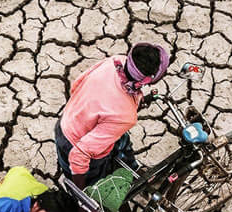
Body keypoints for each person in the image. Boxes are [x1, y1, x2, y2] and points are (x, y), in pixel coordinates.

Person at [55, 41, 170, 187]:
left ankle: (135, 172)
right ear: (147, 79)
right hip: (73, 145)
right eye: (162, 72)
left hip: (66, 120)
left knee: (122, 140)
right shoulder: (125, 115)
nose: (165, 73)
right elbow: (79, 154)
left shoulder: (115, 62)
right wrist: (83, 199)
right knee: (99, 188)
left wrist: (89, 114)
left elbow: (76, 85)